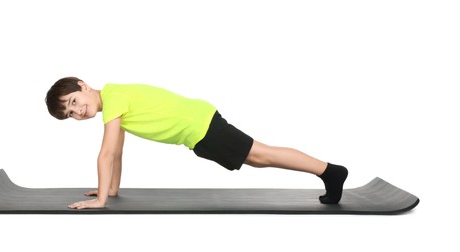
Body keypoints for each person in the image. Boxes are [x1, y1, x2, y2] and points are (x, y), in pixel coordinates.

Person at [45, 77, 348, 209]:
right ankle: (329, 172)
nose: (78, 111)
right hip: (197, 128)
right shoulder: (113, 101)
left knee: (261, 155)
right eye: (71, 114)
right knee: (258, 156)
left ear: (83, 86)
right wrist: (110, 189)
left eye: (74, 101)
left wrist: (100, 202)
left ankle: (329, 172)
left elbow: (107, 154)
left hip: (199, 126)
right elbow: (118, 151)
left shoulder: (113, 100)